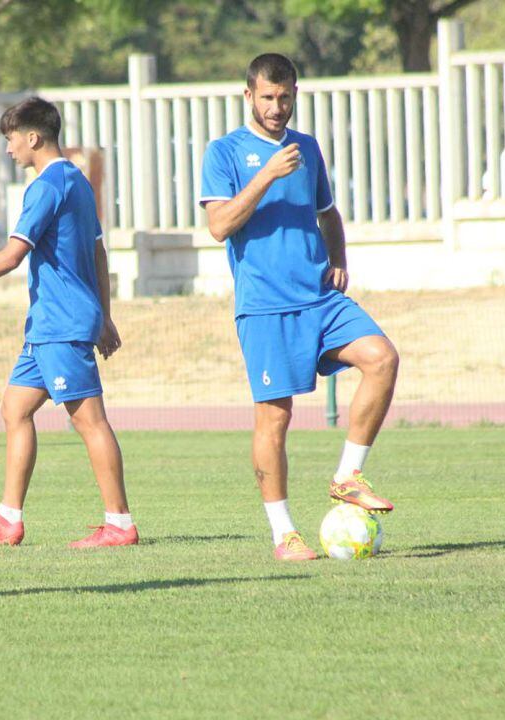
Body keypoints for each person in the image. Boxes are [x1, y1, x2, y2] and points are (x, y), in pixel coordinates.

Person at [199, 54, 400, 561]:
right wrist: (266, 175)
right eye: (267, 97)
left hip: (319, 297)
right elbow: (219, 225)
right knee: (275, 418)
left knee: (382, 358)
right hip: (266, 306)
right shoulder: (223, 152)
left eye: (285, 96)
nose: (277, 107)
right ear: (249, 96)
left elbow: (327, 213)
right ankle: (283, 534)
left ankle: (347, 475)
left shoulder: (307, 148)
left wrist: (338, 259)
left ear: (295, 93)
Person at [0, 96, 138, 549]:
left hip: (60, 323)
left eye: (11, 140)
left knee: (90, 422)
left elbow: (13, 254)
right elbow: (98, 251)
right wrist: (103, 313)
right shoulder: (78, 181)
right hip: (50, 325)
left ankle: (119, 524)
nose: (8, 150)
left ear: (33, 137)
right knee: (15, 409)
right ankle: (7, 519)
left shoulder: (45, 186)